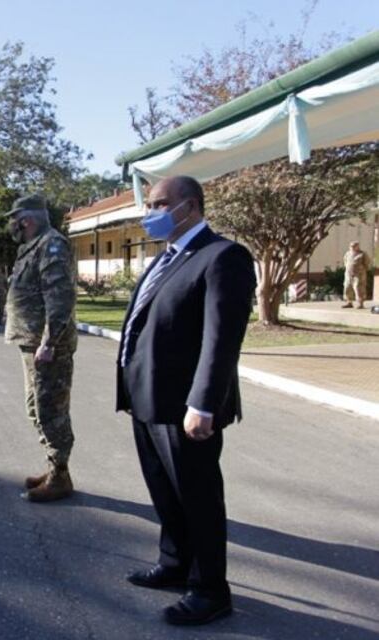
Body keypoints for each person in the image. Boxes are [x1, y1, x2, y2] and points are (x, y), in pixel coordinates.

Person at [117, 176, 255, 627]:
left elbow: (221, 339)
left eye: (159, 204)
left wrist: (204, 403)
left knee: (198, 498)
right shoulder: (167, 257)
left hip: (186, 406)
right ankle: (175, 564)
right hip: (148, 398)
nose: (150, 213)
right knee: (164, 491)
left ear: (190, 206)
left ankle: (210, 589)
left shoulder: (223, 257)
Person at [4, 194, 78, 503]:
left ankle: (59, 476)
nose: (12, 226)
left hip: (46, 348)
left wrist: (49, 342)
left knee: (51, 410)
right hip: (32, 344)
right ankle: (54, 468)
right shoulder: (31, 248)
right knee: (36, 408)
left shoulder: (51, 245)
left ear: (27, 220)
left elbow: (60, 298)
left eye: (14, 220)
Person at [342, 241, 371, 309]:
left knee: (358, 288)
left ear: (358, 246)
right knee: (347, 287)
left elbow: (367, 262)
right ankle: (349, 302)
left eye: (354, 246)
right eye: (351, 246)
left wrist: (362, 270)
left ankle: (360, 303)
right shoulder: (347, 253)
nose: (352, 247)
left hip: (359, 275)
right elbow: (345, 261)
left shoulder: (362, 254)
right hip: (349, 274)